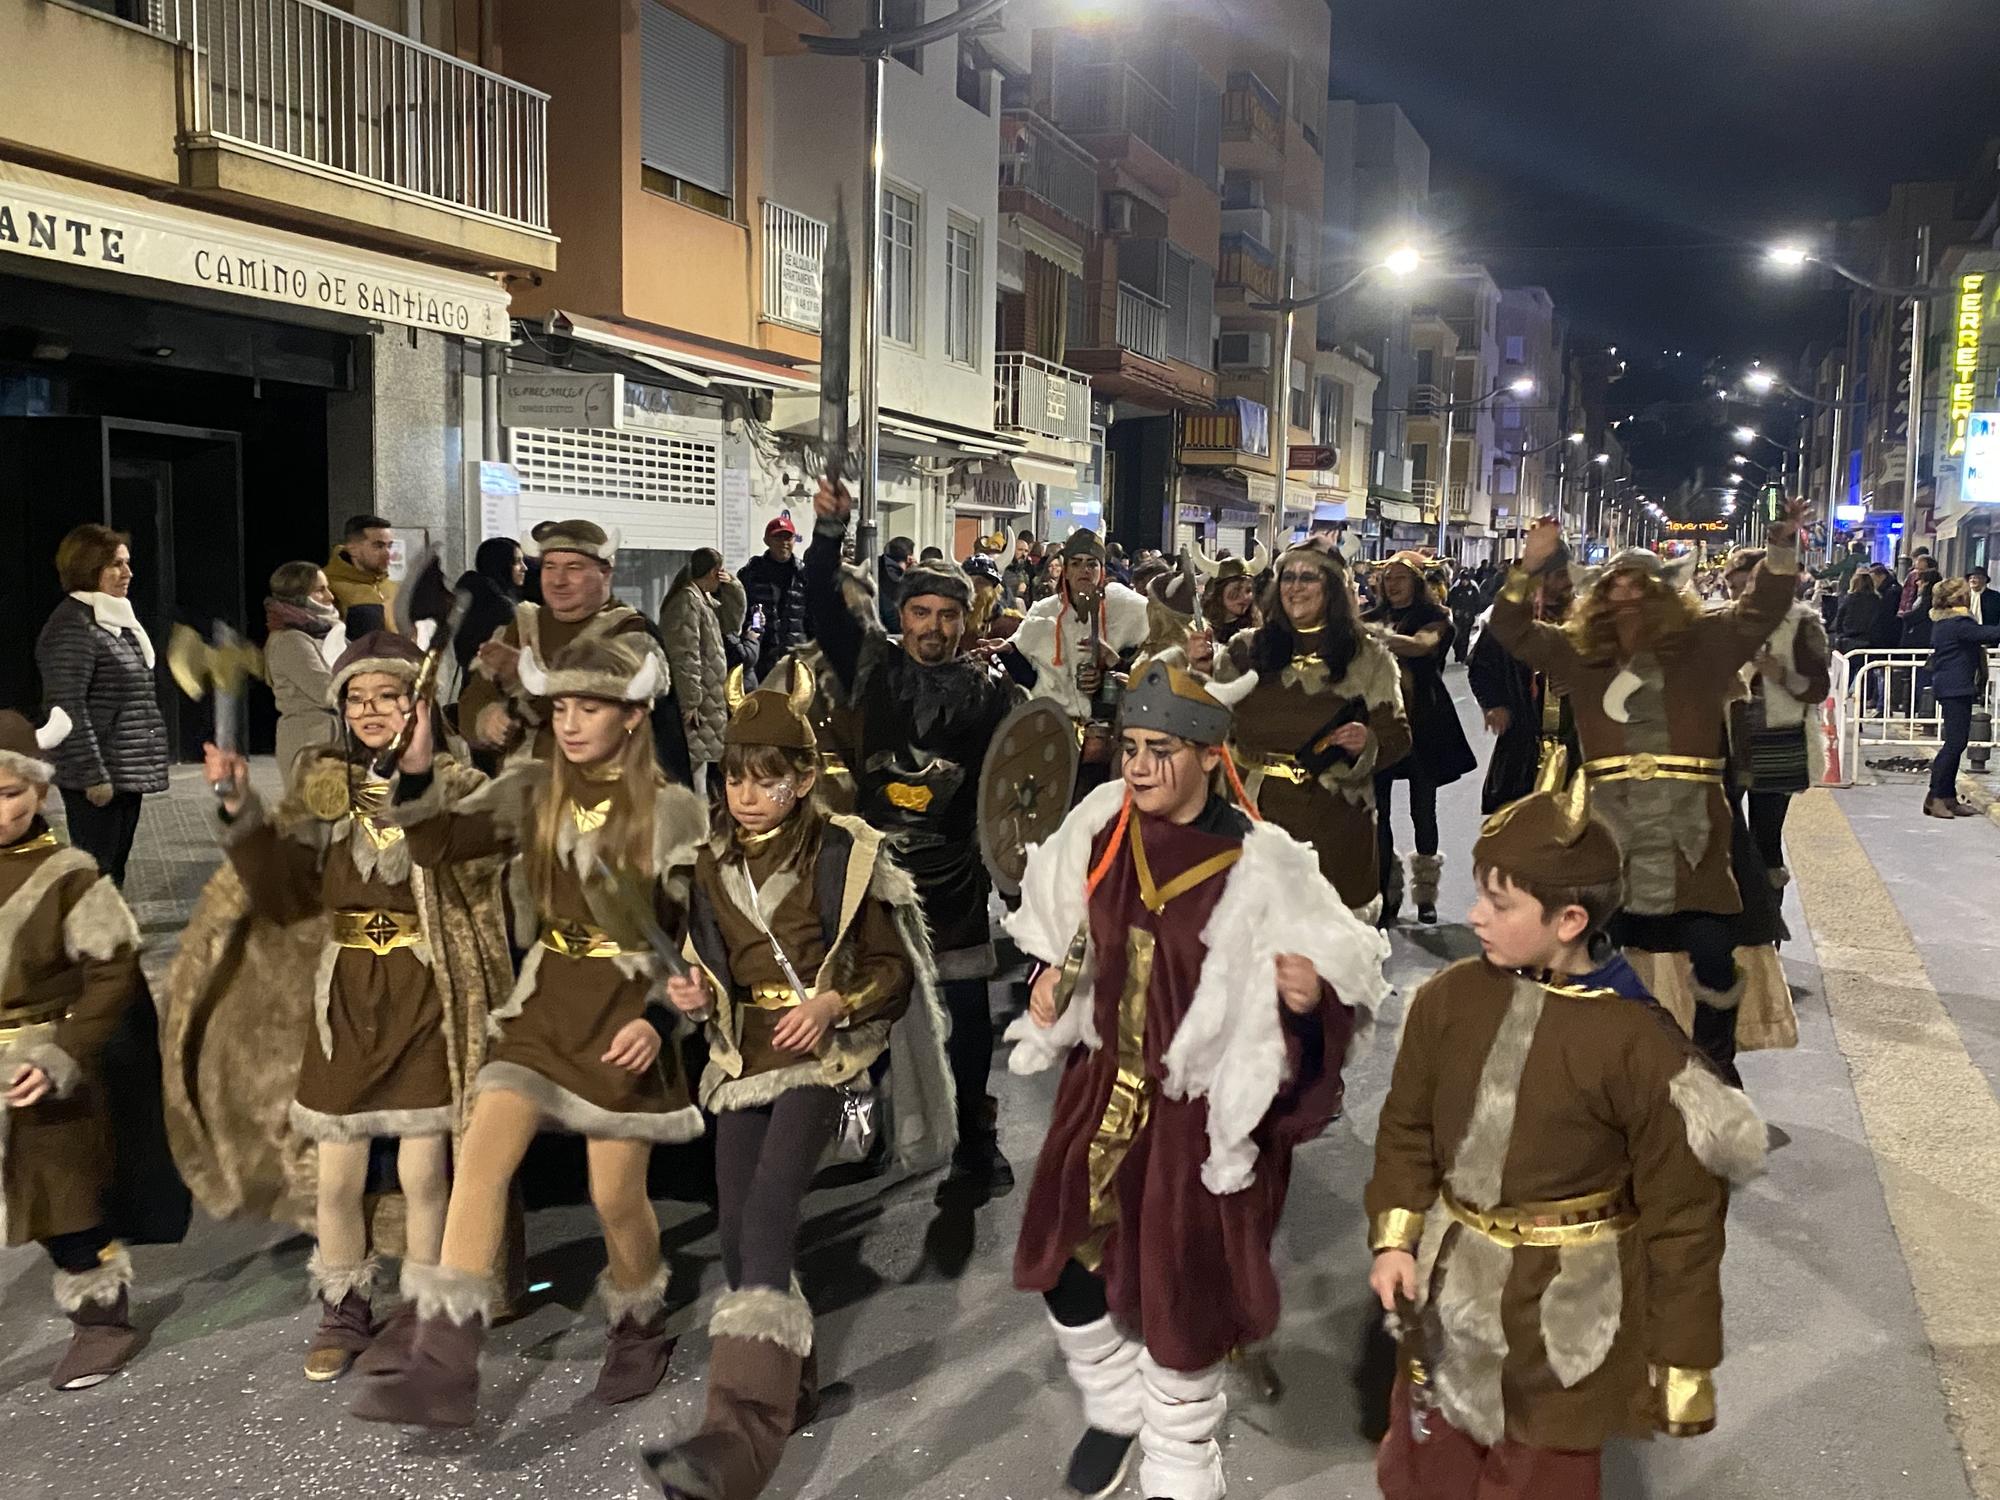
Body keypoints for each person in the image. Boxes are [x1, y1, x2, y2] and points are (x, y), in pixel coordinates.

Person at [1006, 659, 1389, 1500]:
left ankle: (1182, 1467)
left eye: (1161, 750)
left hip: (1197, 1126)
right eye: (1131, 747)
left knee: (1184, 1309)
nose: (1137, 767)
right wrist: (1048, 977)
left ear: (1213, 755)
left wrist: (1305, 1003)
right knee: (1060, 1267)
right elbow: (1063, 926)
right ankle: (1113, 1407)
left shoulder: (1266, 865)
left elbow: (1340, 1005)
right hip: (1099, 1090)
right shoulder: (1103, 825)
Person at [1366, 753, 1766, 1500]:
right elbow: (1407, 1131)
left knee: (1541, 1478)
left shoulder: (1638, 1047)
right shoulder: (1449, 1001)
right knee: (1427, 1472)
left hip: (1570, 1313)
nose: (1475, 915)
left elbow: (1684, 1216)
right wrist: (1395, 1236)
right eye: (1479, 895)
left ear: (1570, 920)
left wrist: (1682, 1359)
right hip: (1450, 1290)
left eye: (1500, 903)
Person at [351, 637, 709, 1427]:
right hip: (544, 1002)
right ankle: (445, 1364)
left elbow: (697, 936)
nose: (571, 723)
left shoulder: (674, 810)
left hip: (626, 1008)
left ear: (635, 715)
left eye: (591, 708)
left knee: (614, 1195)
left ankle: (640, 1324)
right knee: (480, 1154)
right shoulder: (533, 788)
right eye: (562, 707)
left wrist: (662, 1018)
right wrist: (415, 767)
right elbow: (437, 844)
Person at [641, 669, 955, 1500]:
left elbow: (892, 973)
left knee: (774, 1205)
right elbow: (702, 964)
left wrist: (831, 1002)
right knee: (740, 1227)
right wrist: (690, 991)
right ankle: (799, 1381)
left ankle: (736, 1437)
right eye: (735, 777)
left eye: (768, 777)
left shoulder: (848, 854)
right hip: (742, 1060)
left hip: (827, 1056)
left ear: (806, 777)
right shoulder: (704, 862)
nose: (748, 795)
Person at [201, 633, 504, 1383]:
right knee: (336, 1176)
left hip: (424, 993)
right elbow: (282, 892)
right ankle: (344, 1304)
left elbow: (471, 867)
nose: (371, 711)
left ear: (419, 704)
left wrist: (421, 772)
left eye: (389, 697)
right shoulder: (324, 794)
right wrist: (238, 805)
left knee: (425, 1173)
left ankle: (425, 1306)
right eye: (358, 700)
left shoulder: (457, 784)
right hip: (346, 1000)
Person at [1489, 504, 1807, 1084]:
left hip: (1697, 831)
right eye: (1616, 585)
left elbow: (1763, 609)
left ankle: (1714, 1065)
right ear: (1599, 596)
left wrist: (1781, 549)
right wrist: (1526, 569)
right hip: (1612, 828)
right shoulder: (1577, 653)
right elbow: (1509, 630)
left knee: (1712, 951)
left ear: (1667, 593)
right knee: (1597, 952)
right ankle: (1610, 1066)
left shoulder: (1707, 641)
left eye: (1641, 584)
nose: (1629, 595)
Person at [805, 480, 1018, 1196]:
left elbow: (1014, 792)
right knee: (869, 1007)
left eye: (947, 614)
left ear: (966, 619)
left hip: (954, 881)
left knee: (964, 1017)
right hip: (874, 875)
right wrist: (828, 536)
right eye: (921, 611)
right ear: (903, 614)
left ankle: (975, 1142)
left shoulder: (993, 696)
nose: (932, 625)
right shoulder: (873, 669)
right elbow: (824, 613)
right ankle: (868, 1133)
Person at [0, 705, 148, 1391]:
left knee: (63, 1200)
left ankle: (102, 1319)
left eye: (8, 792)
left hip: (40, 1064)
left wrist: (60, 1054)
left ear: (39, 793)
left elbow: (112, 971)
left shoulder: (70, 872)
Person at [1214, 543, 1412, 920]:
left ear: (1333, 588)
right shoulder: (1245, 650)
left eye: (1309, 577)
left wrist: (1367, 742)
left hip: (1332, 823)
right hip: (1253, 819)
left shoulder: (1369, 657)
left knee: (1327, 953)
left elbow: (1398, 736)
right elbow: (1209, 718)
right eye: (1288, 577)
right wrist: (1196, 671)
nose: (1295, 587)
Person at [458, 519, 667, 763]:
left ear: (605, 573)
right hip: (522, 791)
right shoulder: (524, 625)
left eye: (574, 567)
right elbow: (473, 699)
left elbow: (599, 708)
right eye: (549, 566)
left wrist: (522, 681)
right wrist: (487, 718)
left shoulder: (628, 630)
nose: (558, 580)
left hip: (600, 790)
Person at [35, 524, 169, 888]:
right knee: (96, 871)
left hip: (124, 767)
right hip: (99, 774)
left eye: (127, 563)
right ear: (88, 567)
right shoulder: (73, 625)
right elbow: (66, 709)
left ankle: (109, 940)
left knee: (113, 870)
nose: (128, 573)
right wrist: (93, 775)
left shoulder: (115, 620)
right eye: (116, 565)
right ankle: (89, 942)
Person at [1365, 551, 1476, 925]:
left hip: (1424, 723)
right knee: (1377, 811)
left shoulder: (1436, 617)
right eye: (1388, 577)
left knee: (1422, 811)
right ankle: (1385, 889)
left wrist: (1370, 636)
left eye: (1400, 577)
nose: (1392, 583)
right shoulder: (1369, 617)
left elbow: (1420, 645)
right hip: (1380, 724)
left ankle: (1425, 893)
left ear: (1416, 582)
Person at [1721, 547, 1831, 884]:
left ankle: (1767, 923)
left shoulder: (1800, 623)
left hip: (1778, 745)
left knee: (1766, 839)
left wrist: (1782, 674)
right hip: (1729, 740)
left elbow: (1818, 688)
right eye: (1733, 588)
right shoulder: (1725, 622)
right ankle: (1736, 915)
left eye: (1746, 586)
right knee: (1724, 834)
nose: (1738, 596)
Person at [1010, 530, 1151, 786]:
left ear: (1101, 569)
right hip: (1052, 736)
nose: (1084, 570)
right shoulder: (1044, 612)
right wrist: (1007, 653)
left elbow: (1144, 676)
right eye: (1076, 563)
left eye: (1091, 563)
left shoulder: (1128, 611)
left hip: (1106, 742)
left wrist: (1111, 665)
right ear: (1066, 569)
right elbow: (1028, 678)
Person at [1467, 560, 1578, 814]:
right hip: (1522, 744)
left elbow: (1615, 673)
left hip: (1577, 745)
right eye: (1544, 577)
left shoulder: (1590, 621)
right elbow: (1481, 668)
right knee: (1517, 829)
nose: (1553, 585)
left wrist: (1580, 682)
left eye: (1560, 575)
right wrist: (1493, 704)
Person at [661, 547, 746, 795]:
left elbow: (731, 622)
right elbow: (685, 654)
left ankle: (701, 822)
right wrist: (691, 700)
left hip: (707, 698)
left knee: (699, 768)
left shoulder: (701, 598)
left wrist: (734, 588)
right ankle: (697, 825)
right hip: (698, 702)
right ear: (712, 572)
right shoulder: (687, 601)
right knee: (692, 769)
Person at [262, 560, 348, 785]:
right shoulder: (291, 640)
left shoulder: (327, 633)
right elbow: (326, 692)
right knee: (312, 816)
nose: (330, 597)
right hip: (311, 745)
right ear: (298, 597)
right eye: (320, 590)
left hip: (335, 743)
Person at [1924, 577, 2000, 819]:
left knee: (1958, 743)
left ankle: (1948, 797)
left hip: (1955, 686)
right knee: (1954, 744)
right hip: (1954, 687)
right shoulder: (1958, 623)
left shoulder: (1947, 622)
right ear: (1958, 598)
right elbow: (1990, 634)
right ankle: (1935, 795)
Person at [739, 517, 809, 679]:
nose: (784, 542)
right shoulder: (751, 574)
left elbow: (814, 617)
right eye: (778, 537)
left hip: (796, 657)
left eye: (788, 537)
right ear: (767, 540)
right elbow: (739, 614)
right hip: (762, 657)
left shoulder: (804, 575)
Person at [452, 538, 525, 683]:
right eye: (517, 561)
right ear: (502, 565)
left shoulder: (470, 600)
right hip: (495, 691)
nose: (524, 567)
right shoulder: (502, 609)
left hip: (471, 688)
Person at [325, 515, 399, 629]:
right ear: (353, 549)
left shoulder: (393, 587)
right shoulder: (326, 586)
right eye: (379, 546)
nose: (388, 554)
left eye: (390, 546)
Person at [1192, 544, 1270, 648]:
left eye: (1248, 590)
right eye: (1236, 590)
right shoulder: (1202, 626)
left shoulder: (1259, 630)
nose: (1245, 597)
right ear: (1220, 593)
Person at [1832, 568, 1885, 653]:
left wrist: (1840, 636)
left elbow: (1839, 620)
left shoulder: (1849, 599)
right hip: (1869, 643)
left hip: (1848, 642)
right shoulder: (1877, 600)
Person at [1445, 568, 1483, 665]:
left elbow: (1477, 603)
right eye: (1463, 579)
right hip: (1457, 617)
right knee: (1457, 637)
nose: (1464, 582)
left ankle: (1463, 657)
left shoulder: (1473, 589)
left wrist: (1474, 613)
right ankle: (1458, 654)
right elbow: (1449, 601)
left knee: (1465, 637)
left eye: (1466, 579)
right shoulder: (1456, 589)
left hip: (1468, 617)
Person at [877, 536, 915, 632]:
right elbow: (893, 620)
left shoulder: (877, 565)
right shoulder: (897, 579)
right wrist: (913, 575)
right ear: (909, 558)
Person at [1002, 531, 1040, 610]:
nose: (1024, 554)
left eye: (1026, 551)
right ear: (1012, 550)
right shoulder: (1003, 570)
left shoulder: (1028, 571)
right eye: (1020, 550)